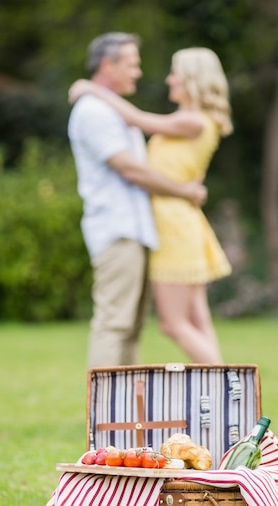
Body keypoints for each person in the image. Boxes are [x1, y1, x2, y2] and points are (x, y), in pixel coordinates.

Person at [69, 46, 233, 363]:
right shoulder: (194, 120)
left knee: (175, 324)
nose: (169, 79)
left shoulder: (194, 121)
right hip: (173, 220)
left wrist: (91, 89)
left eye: (176, 74)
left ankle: (230, 391)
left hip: (173, 223)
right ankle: (229, 399)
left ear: (191, 80)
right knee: (196, 321)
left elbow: (137, 119)